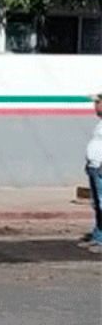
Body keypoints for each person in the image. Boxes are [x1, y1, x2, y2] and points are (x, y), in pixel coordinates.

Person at [81, 93, 102, 253]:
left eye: (98, 102)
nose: (95, 106)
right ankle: (98, 237)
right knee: (97, 205)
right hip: (94, 167)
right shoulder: (100, 124)